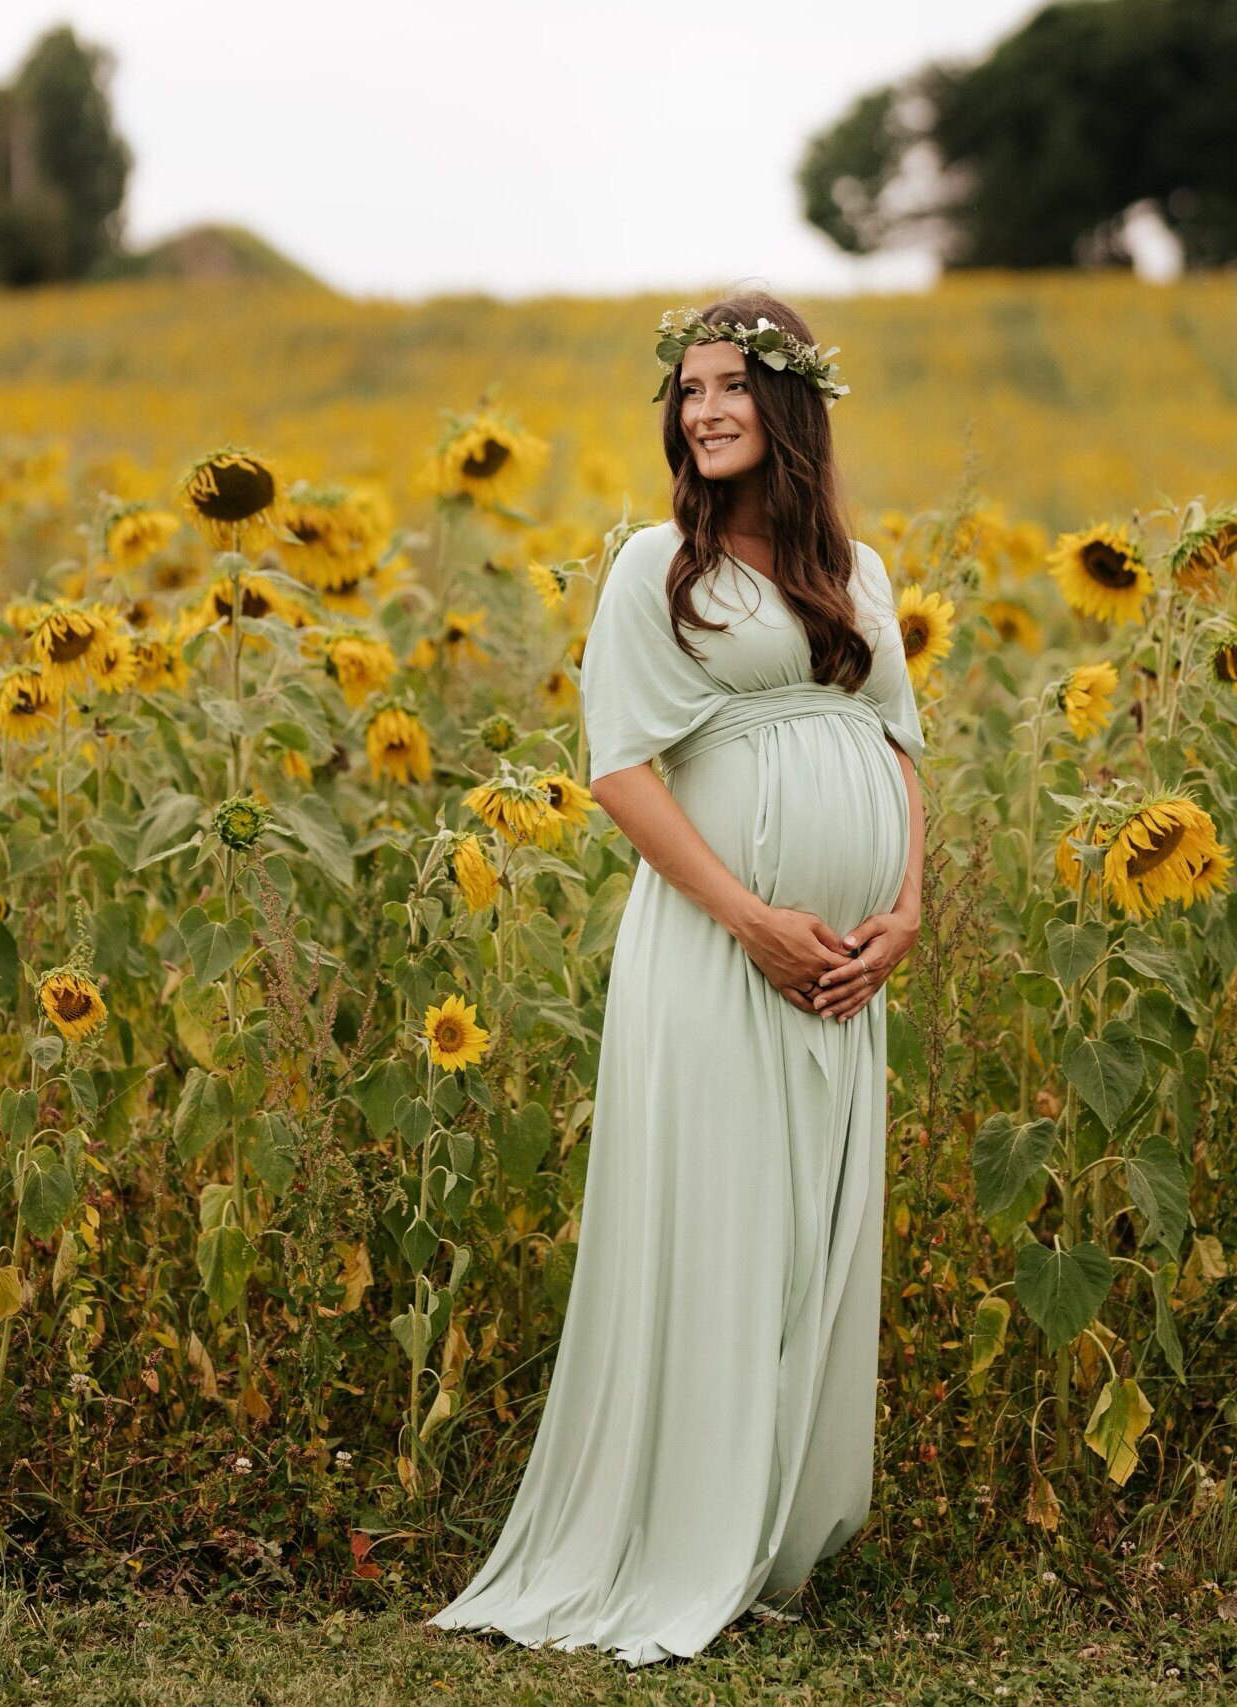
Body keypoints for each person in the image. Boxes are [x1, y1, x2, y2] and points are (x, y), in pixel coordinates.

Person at [426, 291, 928, 1667]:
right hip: (719, 952)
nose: (703, 408)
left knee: (810, 1234)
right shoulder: (658, 567)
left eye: (731, 385)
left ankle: (773, 1534)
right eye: (689, 388)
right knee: (724, 1224)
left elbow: (894, 744)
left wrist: (901, 909)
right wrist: (753, 919)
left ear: (792, 408)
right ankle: (679, 1531)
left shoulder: (860, 573)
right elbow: (619, 774)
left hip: (843, 967)